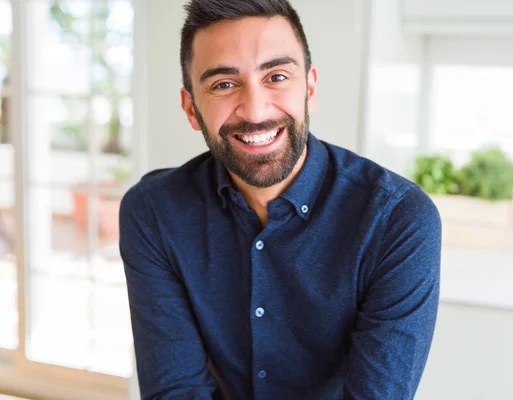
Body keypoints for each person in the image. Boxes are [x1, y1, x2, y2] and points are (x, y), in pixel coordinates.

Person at [119, 0, 442, 399]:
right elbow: (176, 391)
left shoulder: (398, 220)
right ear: (191, 109)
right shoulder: (153, 212)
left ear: (309, 87)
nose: (255, 110)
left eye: (276, 76)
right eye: (224, 84)